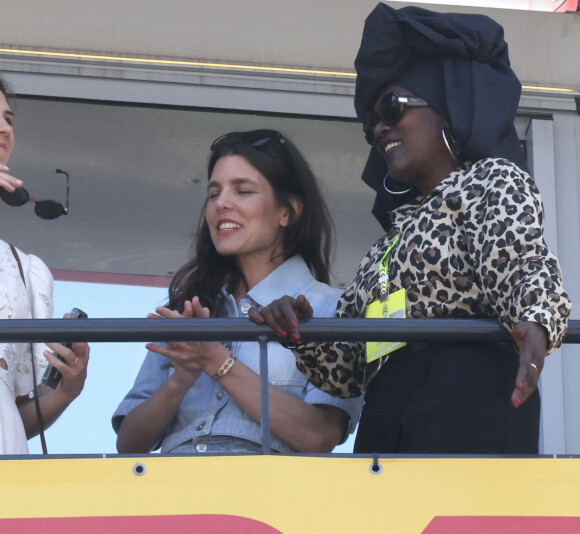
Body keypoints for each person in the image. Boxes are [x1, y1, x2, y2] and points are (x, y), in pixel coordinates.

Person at [250, 4, 571, 455]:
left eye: (393, 108)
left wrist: (536, 320)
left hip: (463, 391)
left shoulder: (489, 182)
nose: (380, 128)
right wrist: (301, 330)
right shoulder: (387, 244)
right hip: (387, 410)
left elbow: (522, 265)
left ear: (447, 110)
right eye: (371, 125)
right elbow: (345, 372)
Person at [113, 129, 362, 454]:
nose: (222, 204)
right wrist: (181, 379)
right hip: (173, 496)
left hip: (263, 499)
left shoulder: (333, 308)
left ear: (288, 211)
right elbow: (130, 444)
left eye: (243, 191)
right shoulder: (189, 306)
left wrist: (217, 361)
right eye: (214, 193)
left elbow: (319, 436)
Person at [0, 76, 90, 454]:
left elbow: (15, 415)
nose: (5, 129)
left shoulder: (24, 268)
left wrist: (68, 389)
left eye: (8, 119)